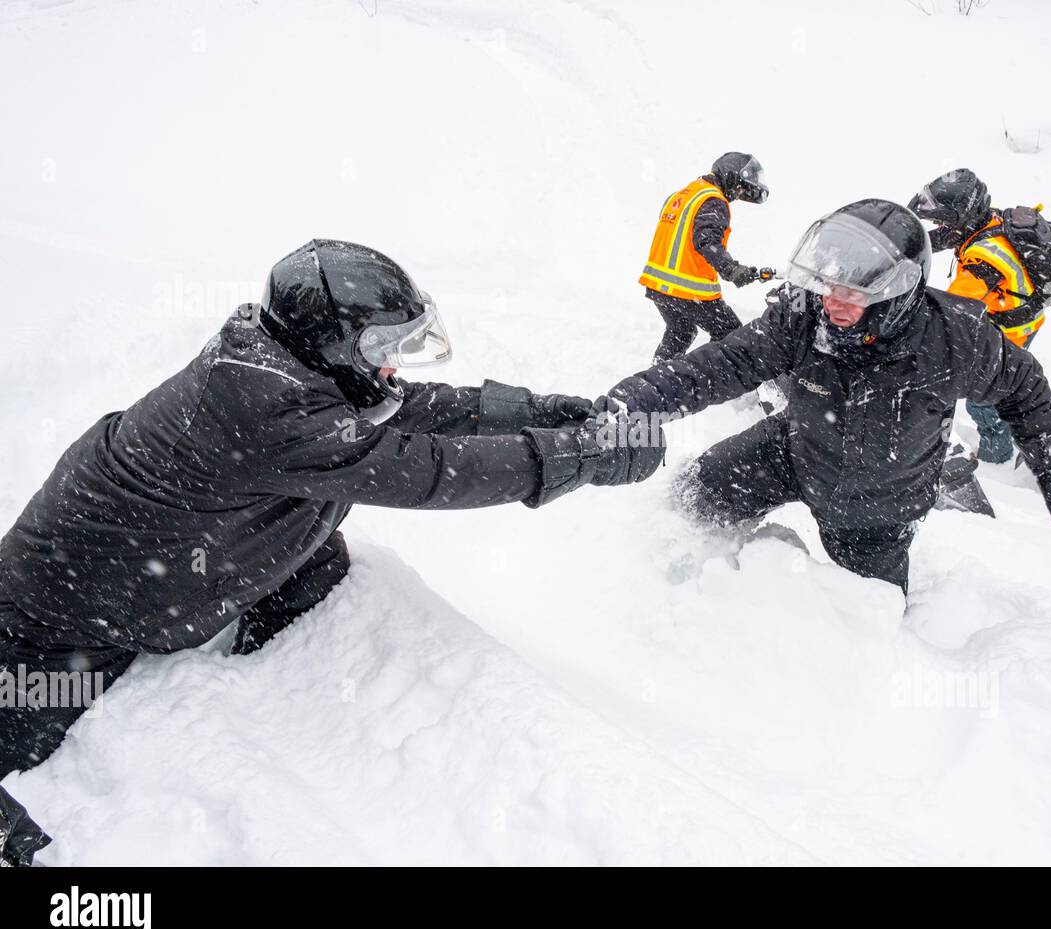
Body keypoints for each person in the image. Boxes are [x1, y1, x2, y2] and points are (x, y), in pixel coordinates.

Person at [0, 239, 664, 866]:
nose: (392, 362)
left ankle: (262, 672)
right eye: (380, 345)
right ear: (330, 344)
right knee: (25, 724)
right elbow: (425, 469)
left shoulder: (286, 365)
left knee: (321, 565)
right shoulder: (269, 407)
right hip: (71, 596)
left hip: (181, 557)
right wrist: (583, 457)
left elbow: (406, 410)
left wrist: (540, 412)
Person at [607, 199, 1051, 596]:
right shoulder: (805, 314)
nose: (833, 303)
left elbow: (1026, 388)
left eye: (853, 294)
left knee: (864, 622)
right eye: (828, 287)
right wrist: (633, 402)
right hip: (795, 450)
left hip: (878, 506)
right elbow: (724, 364)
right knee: (692, 496)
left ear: (897, 291)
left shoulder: (955, 339)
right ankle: (668, 589)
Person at [908, 168, 1051, 463]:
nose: (940, 225)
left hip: (1010, 331)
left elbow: (951, 308)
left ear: (961, 217)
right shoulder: (990, 220)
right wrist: (904, 244)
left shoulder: (982, 263)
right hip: (1020, 316)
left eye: (943, 219)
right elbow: (948, 236)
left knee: (983, 401)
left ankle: (997, 459)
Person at [638, 152, 776, 363]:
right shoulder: (713, 200)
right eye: (739, 188)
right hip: (687, 289)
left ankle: (656, 378)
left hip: (658, 284)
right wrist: (732, 269)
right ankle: (705, 384)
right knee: (729, 335)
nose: (738, 195)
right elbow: (707, 242)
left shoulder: (684, 194)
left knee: (681, 331)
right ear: (730, 176)